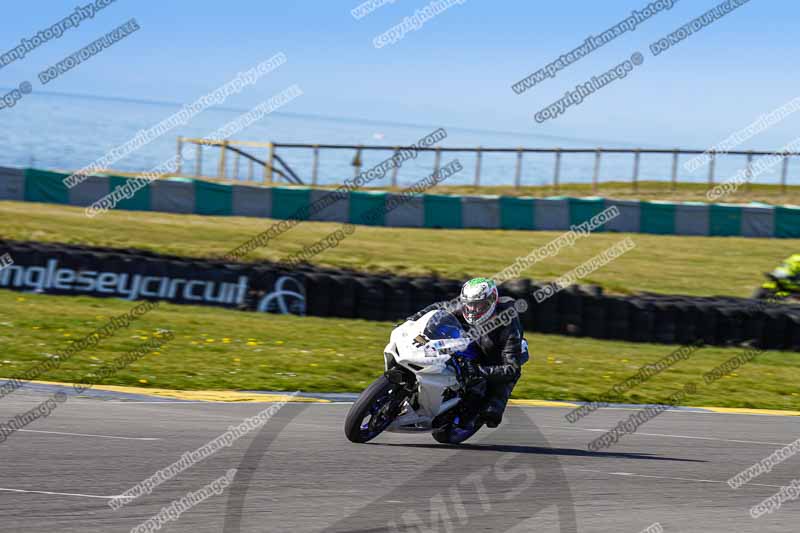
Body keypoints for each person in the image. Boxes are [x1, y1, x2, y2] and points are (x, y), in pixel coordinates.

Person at [406, 277, 527, 428]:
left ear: (491, 302)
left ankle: (495, 403)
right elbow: (437, 309)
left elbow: (511, 369)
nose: (473, 310)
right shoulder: (462, 306)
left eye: (479, 305)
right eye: (469, 304)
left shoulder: (509, 325)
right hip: (468, 341)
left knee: (491, 409)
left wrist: (477, 370)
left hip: (493, 353)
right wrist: (411, 321)